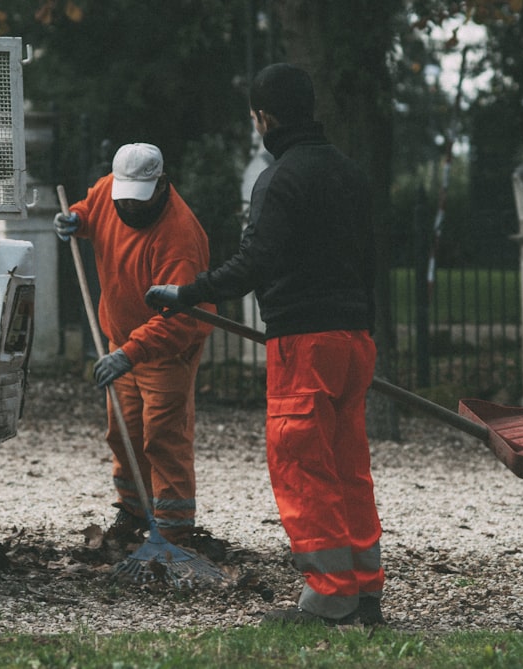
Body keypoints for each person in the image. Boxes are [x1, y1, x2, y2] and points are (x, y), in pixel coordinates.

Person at [146, 63, 385, 626]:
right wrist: (363, 323)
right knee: (349, 467)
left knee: (303, 467)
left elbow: (256, 263)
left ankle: (330, 597)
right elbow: (370, 257)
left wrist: (187, 292)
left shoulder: (278, 179)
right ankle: (364, 591)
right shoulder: (351, 173)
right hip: (355, 340)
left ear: (264, 118)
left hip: (303, 343)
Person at [53, 142, 215, 545]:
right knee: (121, 430)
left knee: (162, 434)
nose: (131, 207)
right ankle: (133, 511)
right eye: (124, 198)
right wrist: (76, 218)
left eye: (139, 199)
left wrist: (130, 353)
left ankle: (175, 530)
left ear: (161, 183)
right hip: (121, 339)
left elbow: (178, 321)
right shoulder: (112, 190)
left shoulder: (179, 236)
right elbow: (93, 208)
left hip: (165, 350)